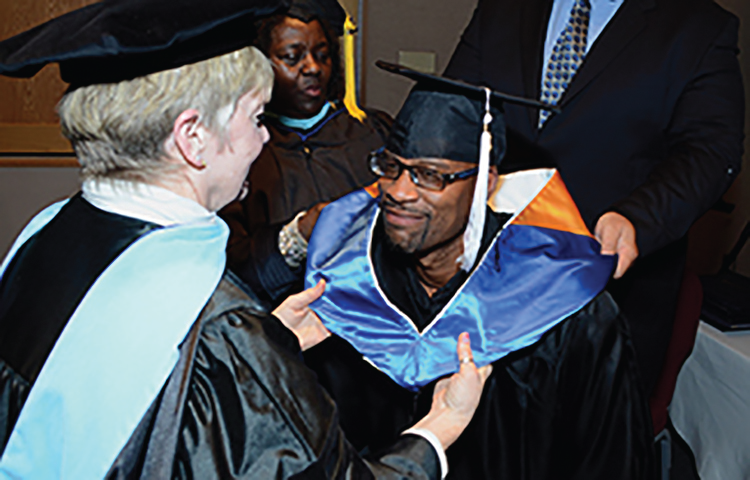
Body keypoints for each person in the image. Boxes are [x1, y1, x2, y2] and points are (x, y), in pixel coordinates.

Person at [0, 1, 490, 478]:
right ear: (192, 138)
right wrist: (439, 425)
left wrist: (269, 340)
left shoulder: (43, 234)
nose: (262, 141)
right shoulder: (223, 327)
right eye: (256, 118)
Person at [302, 73, 656, 479]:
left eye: (430, 175)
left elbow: (610, 460)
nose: (399, 191)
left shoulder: (566, 304)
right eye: (391, 167)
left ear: (485, 183)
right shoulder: (344, 283)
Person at [442, 0, 745, 396]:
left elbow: (711, 150)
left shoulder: (698, 24)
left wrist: (638, 218)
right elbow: (454, 108)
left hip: (609, 297)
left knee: (587, 449)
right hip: (487, 288)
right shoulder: (504, 7)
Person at [220, 0, 391, 306]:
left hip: (374, 317)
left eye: (323, 55)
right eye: (291, 57)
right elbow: (232, 268)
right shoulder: (237, 150)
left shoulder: (373, 132)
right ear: (259, 64)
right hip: (282, 327)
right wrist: (296, 236)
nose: (312, 67)